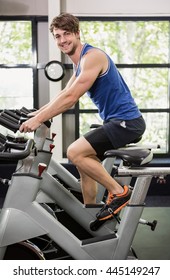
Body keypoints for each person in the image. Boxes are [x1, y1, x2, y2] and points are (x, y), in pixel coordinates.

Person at [19, 13, 146, 221]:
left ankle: (119, 192)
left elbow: (70, 99)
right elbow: (62, 94)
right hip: (116, 122)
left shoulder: (92, 57)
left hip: (128, 123)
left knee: (74, 152)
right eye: (57, 36)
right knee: (84, 161)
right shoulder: (80, 64)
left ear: (77, 33)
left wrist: (38, 120)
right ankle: (89, 214)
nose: (62, 41)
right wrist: (38, 113)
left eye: (66, 34)